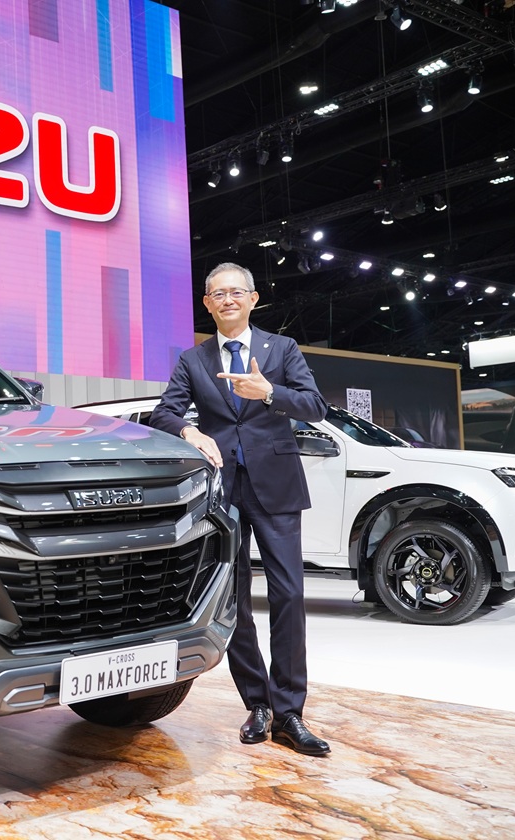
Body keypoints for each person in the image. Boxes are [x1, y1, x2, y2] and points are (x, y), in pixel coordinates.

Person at [149, 262, 330, 756]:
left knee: (289, 593)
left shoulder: (281, 349)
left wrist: (269, 392)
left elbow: (315, 406)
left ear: (253, 299)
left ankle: (290, 711)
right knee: (235, 599)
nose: (227, 299)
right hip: (223, 490)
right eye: (217, 294)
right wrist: (189, 430)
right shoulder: (194, 359)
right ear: (207, 304)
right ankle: (258, 704)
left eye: (236, 292)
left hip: (277, 486)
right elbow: (164, 411)